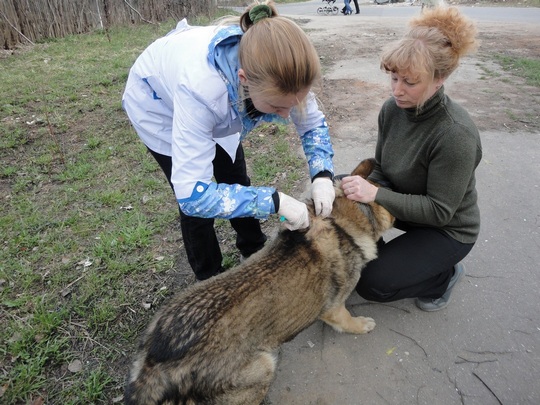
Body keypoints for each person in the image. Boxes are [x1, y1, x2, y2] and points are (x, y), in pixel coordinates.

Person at [122, 1, 335, 281]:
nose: (286, 117)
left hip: (220, 100)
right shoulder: (201, 90)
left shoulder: (287, 74)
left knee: (234, 175)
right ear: (244, 79)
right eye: (276, 106)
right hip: (157, 106)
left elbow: (311, 124)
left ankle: (253, 248)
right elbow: (193, 195)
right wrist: (274, 201)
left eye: (292, 105)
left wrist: (322, 174)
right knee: (198, 207)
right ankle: (208, 275)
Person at [341, 6, 481, 311]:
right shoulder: (392, 110)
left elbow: (440, 211)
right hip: (406, 202)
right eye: (394, 78)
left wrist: (375, 194)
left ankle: (442, 278)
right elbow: (382, 169)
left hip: (446, 229)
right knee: (343, 191)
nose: (397, 90)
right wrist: (355, 190)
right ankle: (383, 256)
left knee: (372, 284)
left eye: (410, 82)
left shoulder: (455, 134)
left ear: (439, 78)